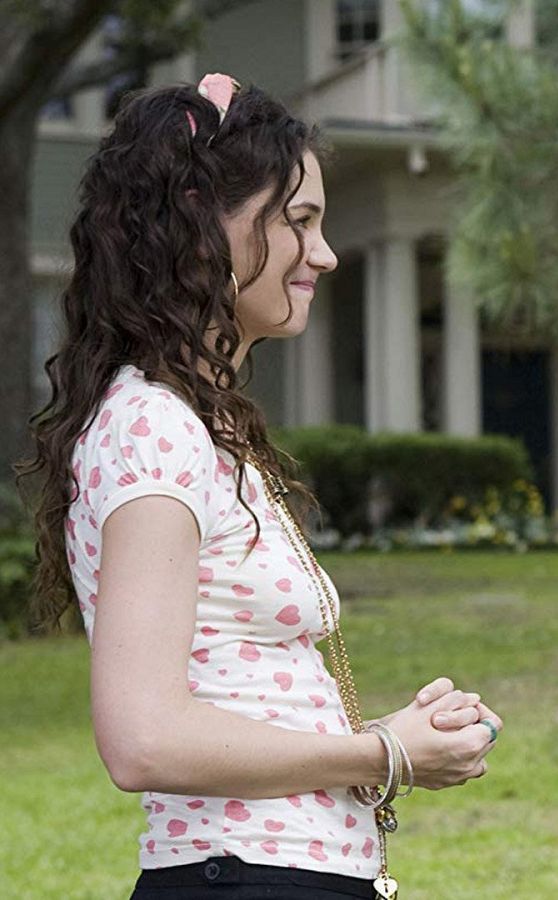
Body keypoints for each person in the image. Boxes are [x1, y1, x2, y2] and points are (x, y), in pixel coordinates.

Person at [20, 75, 502, 899]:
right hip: (242, 876)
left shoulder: (204, 428)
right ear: (204, 228)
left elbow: (229, 698)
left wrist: (392, 736)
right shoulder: (153, 427)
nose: (325, 253)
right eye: (300, 222)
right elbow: (141, 738)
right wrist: (383, 755)